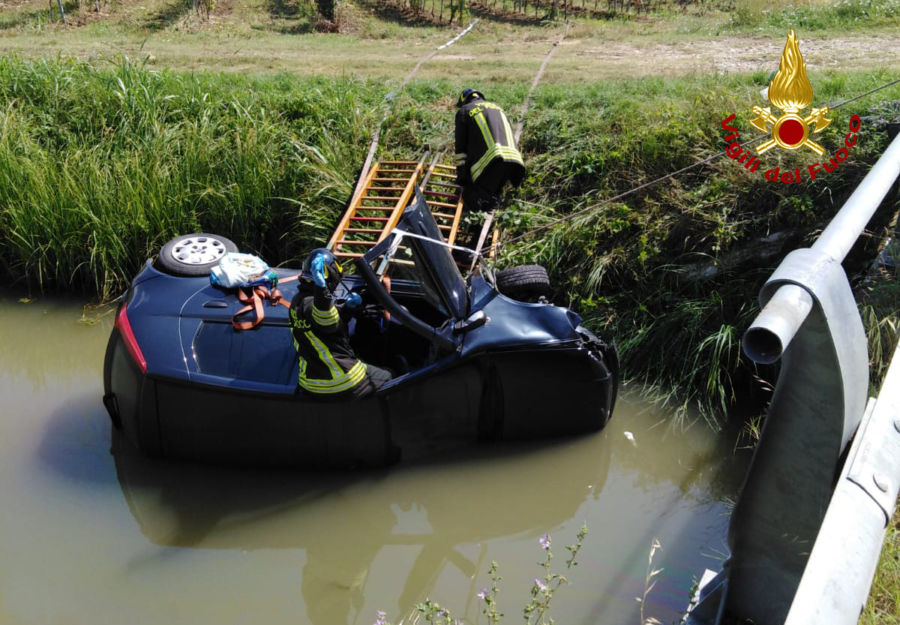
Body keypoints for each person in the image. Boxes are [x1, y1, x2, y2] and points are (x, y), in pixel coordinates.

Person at [289, 248, 392, 398]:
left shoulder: (297, 301)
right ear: (331, 277)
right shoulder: (314, 303)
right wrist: (321, 290)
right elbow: (327, 322)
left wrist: (346, 310)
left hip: (310, 382)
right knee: (389, 376)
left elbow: (321, 325)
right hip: (340, 380)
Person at [454, 88, 526, 212]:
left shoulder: (464, 111)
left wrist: (462, 178)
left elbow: (461, 148)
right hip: (515, 161)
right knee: (492, 196)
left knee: (472, 199)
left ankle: (475, 217)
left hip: (493, 160)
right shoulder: (498, 107)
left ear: (463, 101)